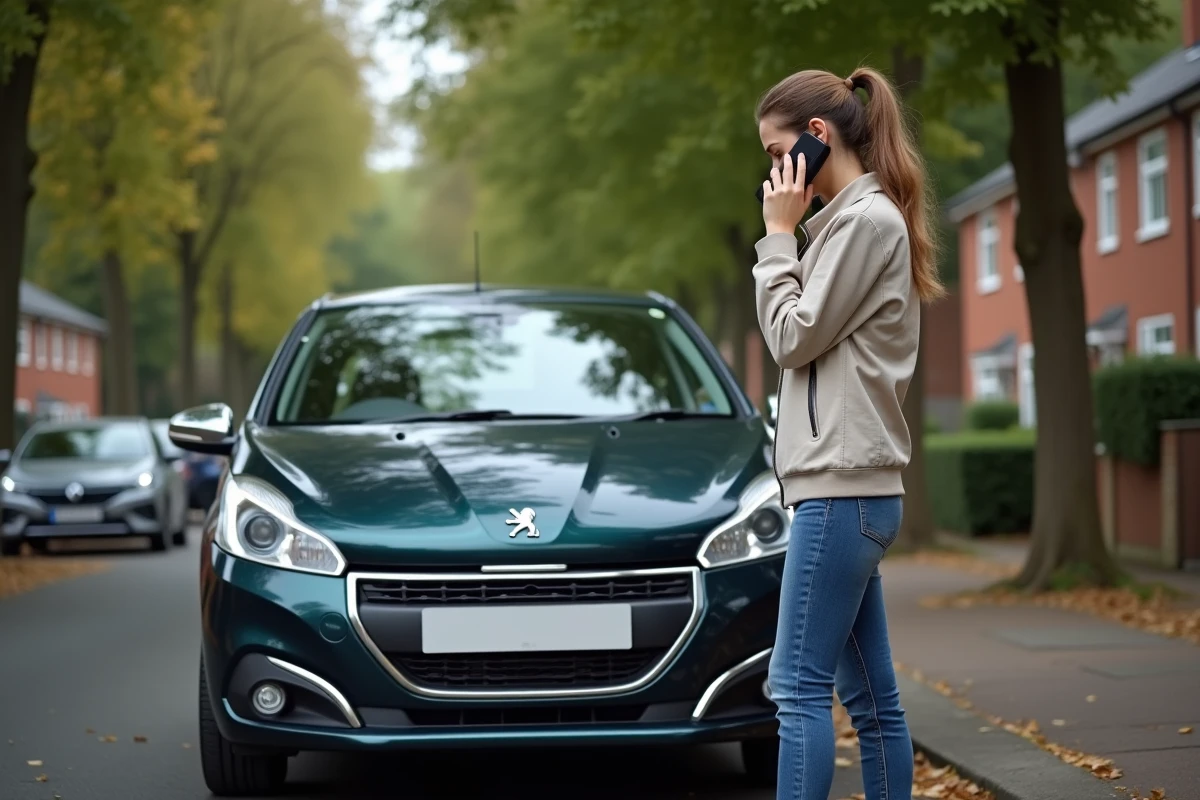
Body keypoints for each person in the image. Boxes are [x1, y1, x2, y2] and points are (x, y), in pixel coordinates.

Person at [753, 66, 945, 800]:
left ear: (817, 136)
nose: (773, 172)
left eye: (777, 153)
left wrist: (776, 240)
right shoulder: (845, 226)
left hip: (843, 492)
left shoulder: (863, 224)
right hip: (849, 493)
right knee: (871, 702)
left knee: (796, 687)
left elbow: (791, 338)